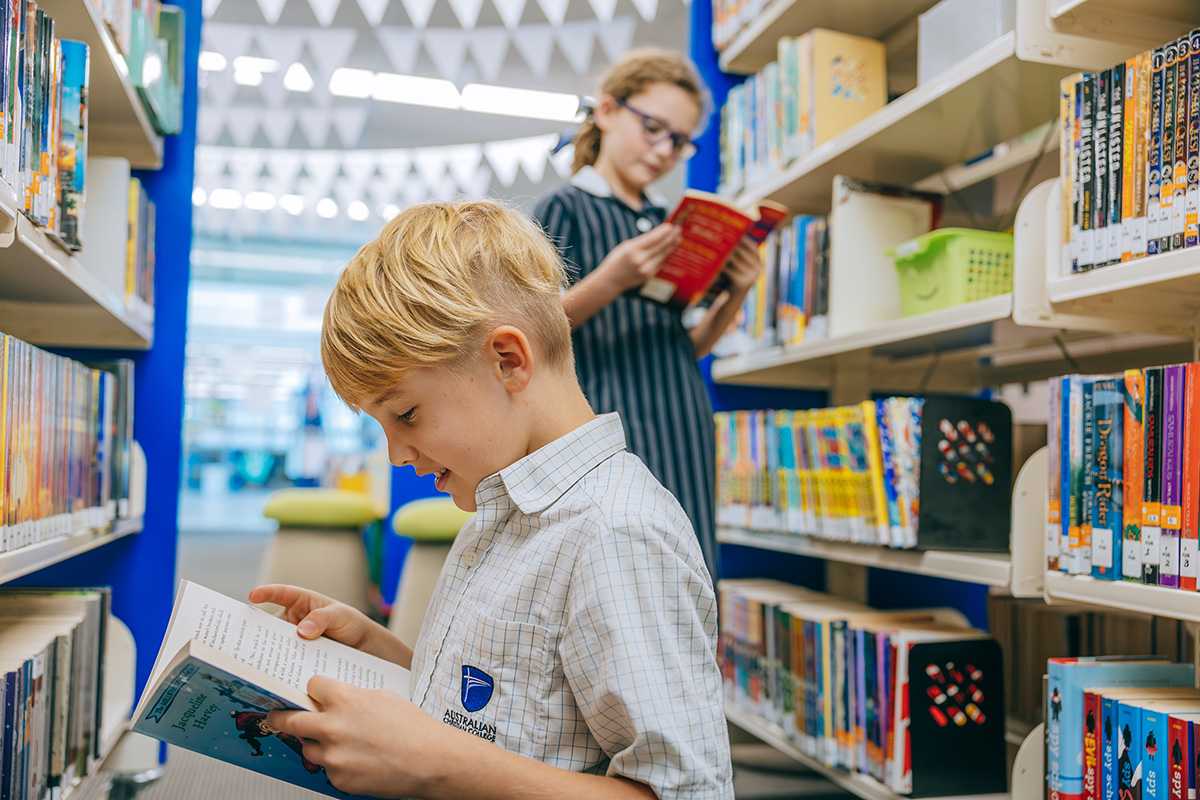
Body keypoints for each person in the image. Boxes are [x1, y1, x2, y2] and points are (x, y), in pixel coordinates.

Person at [255, 201, 733, 799]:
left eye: (406, 415)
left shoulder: (617, 534)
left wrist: (435, 762)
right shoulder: (498, 508)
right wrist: (380, 653)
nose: (397, 455)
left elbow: (686, 792)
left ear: (508, 361)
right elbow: (511, 717)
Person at [533, 49, 764, 581]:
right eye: (653, 128)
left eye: (679, 141)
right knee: (622, 568)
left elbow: (685, 344)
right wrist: (612, 279)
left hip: (681, 417)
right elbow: (535, 329)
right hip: (606, 418)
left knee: (689, 563)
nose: (664, 151)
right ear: (609, 110)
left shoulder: (668, 221)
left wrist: (737, 292)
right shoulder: (564, 208)